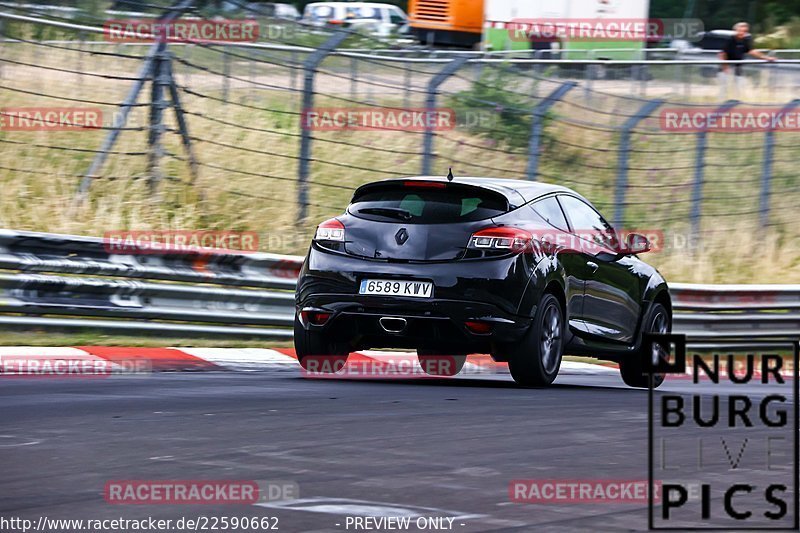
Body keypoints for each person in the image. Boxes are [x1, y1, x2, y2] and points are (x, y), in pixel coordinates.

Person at [719, 21, 775, 97]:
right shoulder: (729, 40)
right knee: (724, 87)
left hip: (738, 66)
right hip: (726, 67)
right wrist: (725, 67)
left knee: (738, 86)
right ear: (736, 30)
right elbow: (722, 53)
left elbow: (752, 51)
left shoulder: (745, 40)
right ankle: (722, 103)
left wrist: (767, 58)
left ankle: (736, 102)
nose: (742, 33)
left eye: (744, 31)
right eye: (740, 30)